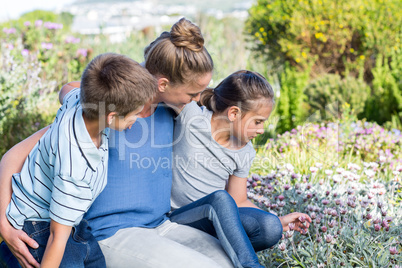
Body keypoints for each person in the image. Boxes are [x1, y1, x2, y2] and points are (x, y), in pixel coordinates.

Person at [0, 18, 234, 268]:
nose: (197, 99)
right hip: (107, 233)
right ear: (163, 83)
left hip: (161, 225)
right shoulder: (105, 113)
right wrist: (4, 225)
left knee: (228, 262)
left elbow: (225, 125)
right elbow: (15, 156)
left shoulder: (175, 108)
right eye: (192, 93)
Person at [1, 53, 157, 268]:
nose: (137, 119)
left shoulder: (78, 101)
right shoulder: (76, 168)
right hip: (40, 230)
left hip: (69, 221)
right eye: (135, 114)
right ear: (111, 117)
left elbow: (66, 87)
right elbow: (57, 238)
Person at [169, 70, 312, 267]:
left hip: (215, 224)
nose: (261, 130)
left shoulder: (245, 151)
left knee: (271, 226)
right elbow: (169, 84)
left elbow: (238, 199)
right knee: (218, 199)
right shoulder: (192, 117)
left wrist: (278, 219)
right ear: (234, 113)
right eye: (258, 121)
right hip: (180, 217)